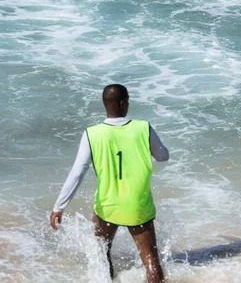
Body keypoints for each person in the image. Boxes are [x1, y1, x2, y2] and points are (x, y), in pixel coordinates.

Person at [50, 84, 169, 283]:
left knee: (101, 255)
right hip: (138, 205)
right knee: (151, 260)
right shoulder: (143, 128)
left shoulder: (92, 134)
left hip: (107, 205)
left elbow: (77, 172)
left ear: (106, 105)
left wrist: (59, 207)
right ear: (123, 103)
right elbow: (163, 156)